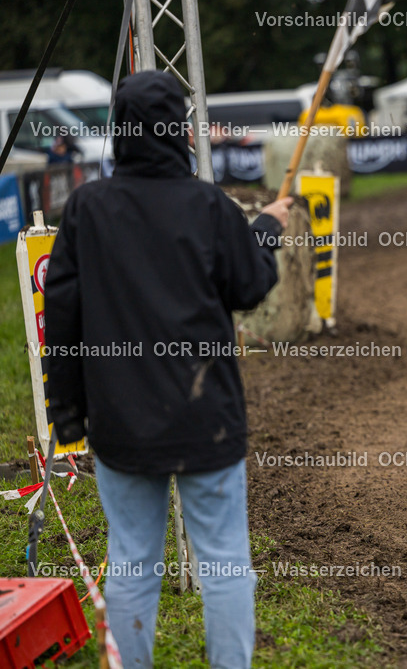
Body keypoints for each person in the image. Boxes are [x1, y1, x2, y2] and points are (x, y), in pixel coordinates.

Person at [45, 70, 292, 668]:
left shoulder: (86, 208)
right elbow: (250, 285)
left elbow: (62, 315)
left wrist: (67, 412)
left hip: (121, 421)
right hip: (205, 418)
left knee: (132, 559)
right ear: (181, 130)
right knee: (226, 561)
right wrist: (266, 229)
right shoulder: (209, 204)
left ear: (118, 131)